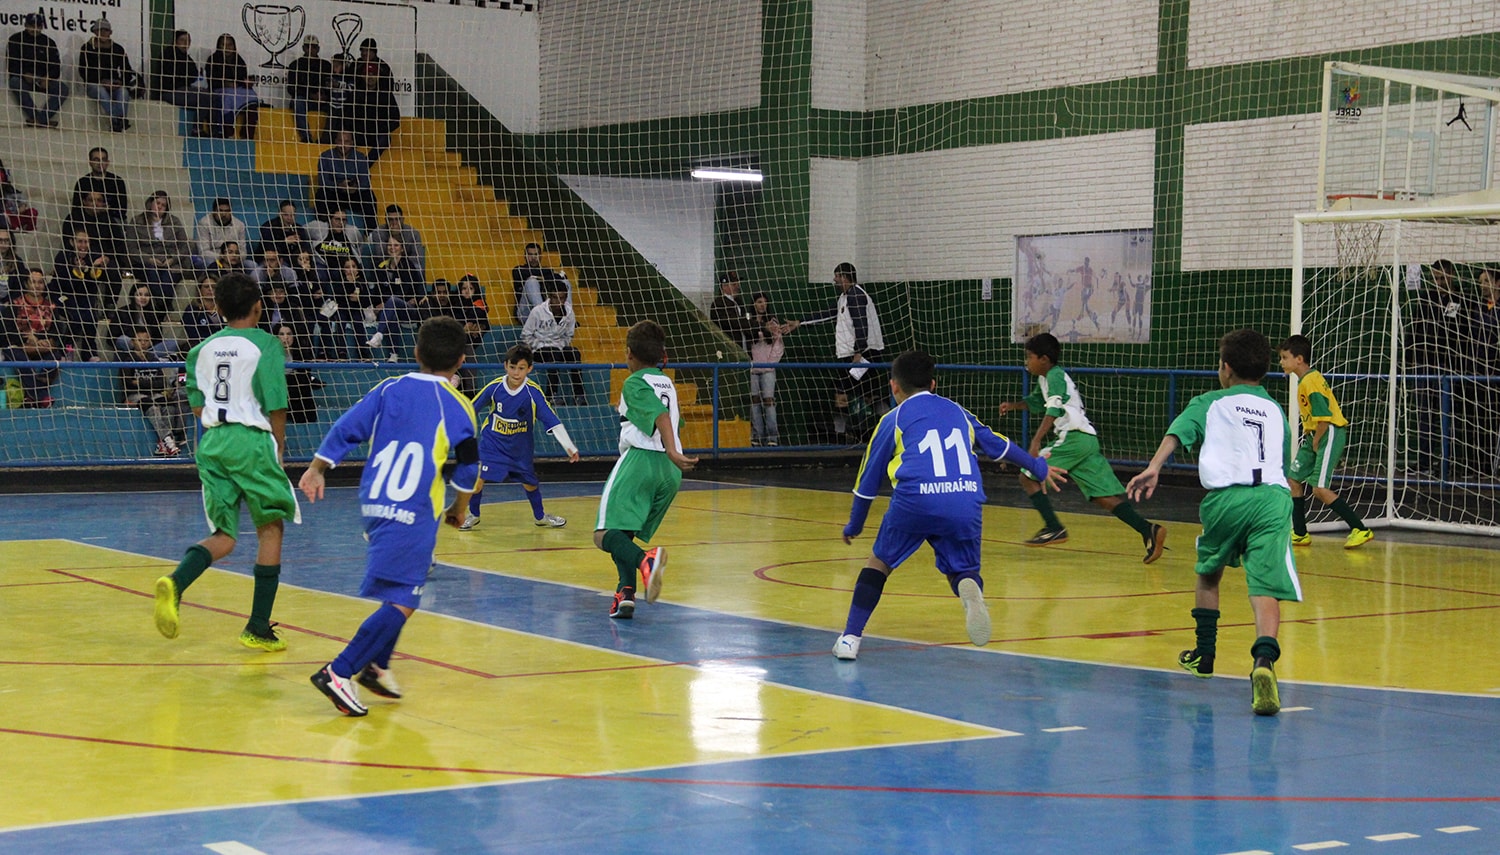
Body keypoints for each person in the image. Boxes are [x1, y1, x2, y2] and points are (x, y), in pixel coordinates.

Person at [298, 316, 480, 716]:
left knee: (404, 588)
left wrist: (317, 467)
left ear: (416, 353)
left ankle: (377, 667)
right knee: (405, 597)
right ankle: (339, 671)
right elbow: (468, 469)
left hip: (374, 500)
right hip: (411, 509)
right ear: (462, 361)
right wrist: (459, 509)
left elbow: (347, 428)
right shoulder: (460, 406)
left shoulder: (388, 388)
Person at [833, 350, 1062, 661]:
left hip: (915, 501)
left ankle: (849, 639)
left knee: (879, 564)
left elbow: (866, 483)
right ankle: (969, 590)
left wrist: (854, 525)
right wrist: (1038, 467)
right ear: (934, 384)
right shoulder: (958, 412)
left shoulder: (893, 419)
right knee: (963, 569)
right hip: (965, 498)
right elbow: (999, 444)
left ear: (893, 387)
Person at [1127, 328, 1299, 717]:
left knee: (1209, 573)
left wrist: (1153, 468)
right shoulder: (1275, 410)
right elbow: (1282, 462)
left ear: (1225, 368)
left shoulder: (1210, 401)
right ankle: (1264, 662)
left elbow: (1177, 432)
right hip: (1273, 499)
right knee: (1266, 584)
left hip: (1227, 499)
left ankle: (1204, 655)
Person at [153, 272, 299, 651]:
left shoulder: (199, 350)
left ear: (216, 309)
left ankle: (176, 582)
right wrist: (278, 450)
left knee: (225, 535)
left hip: (213, 441)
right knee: (271, 529)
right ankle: (257, 626)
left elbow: (198, 405)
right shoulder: (266, 344)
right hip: (250, 440)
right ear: (259, 307)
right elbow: (276, 404)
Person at [996, 332, 1167, 563]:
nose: (1027, 362)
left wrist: (1036, 441)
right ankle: (1148, 530)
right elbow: (1038, 402)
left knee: (1028, 475)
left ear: (1044, 359)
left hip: (1073, 438)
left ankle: (1053, 527)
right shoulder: (1046, 379)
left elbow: (1053, 408)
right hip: (1086, 440)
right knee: (1102, 497)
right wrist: (1015, 405)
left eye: (1029, 357)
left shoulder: (1055, 375)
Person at [593, 320, 698, 619]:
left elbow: (662, 417)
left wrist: (672, 450)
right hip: (669, 473)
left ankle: (646, 562)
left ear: (629, 353)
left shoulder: (634, 382)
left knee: (603, 534)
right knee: (623, 533)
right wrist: (673, 453)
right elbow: (676, 421)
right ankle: (625, 593)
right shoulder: (667, 382)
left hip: (643, 460)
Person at [463, 343, 580, 531]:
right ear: (505, 366)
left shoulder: (533, 393)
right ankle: (473, 515)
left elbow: (552, 420)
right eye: (512, 367)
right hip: (492, 443)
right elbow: (470, 409)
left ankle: (540, 517)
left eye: (521, 368)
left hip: (520, 449)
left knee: (530, 484)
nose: (516, 373)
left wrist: (569, 446)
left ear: (530, 369)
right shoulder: (494, 387)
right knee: (478, 477)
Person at [1278, 335, 1373, 549]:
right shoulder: (1306, 379)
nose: (1281, 362)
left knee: (1319, 489)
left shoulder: (1310, 381)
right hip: (1315, 433)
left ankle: (1360, 529)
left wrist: (1317, 440)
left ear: (1299, 359)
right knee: (1294, 480)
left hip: (1327, 432)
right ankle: (1300, 533)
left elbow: (1324, 416)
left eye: (1285, 357)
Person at [785, 262, 888, 443]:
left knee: (844, 392)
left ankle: (843, 436)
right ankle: (856, 432)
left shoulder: (856, 296)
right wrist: (800, 322)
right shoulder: (844, 298)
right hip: (854, 355)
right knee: (868, 394)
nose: (834, 280)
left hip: (864, 356)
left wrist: (858, 353)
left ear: (846, 277)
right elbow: (828, 313)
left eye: (837, 276)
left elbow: (861, 324)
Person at [121, 327, 191, 457]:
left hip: (153, 393)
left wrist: (140, 382)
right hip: (134, 395)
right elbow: (128, 384)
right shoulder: (127, 359)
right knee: (152, 407)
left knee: (169, 405)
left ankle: (162, 443)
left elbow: (161, 383)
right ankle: (169, 440)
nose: (143, 343)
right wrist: (149, 383)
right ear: (132, 342)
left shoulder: (153, 358)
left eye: (146, 340)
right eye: (139, 340)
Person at [522, 279, 585, 405]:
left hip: (559, 348)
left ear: (566, 298)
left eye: (561, 298)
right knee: (553, 353)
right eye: (555, 298)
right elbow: (526, 335)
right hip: (539, 349)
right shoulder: (537, 311)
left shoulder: (569, 313)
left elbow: (569, 335)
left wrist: (561, 345)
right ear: (549, 297)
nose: (558, 302)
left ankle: (579, 395)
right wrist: (538, 345)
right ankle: (551, 394)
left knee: (574, 353)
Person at [7, 268, 63, 407]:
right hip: (20, 346)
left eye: (40, 282)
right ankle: (41, 396)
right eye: (33, 282)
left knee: (54, 357)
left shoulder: (51, 306)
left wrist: (46, 341)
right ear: (26, 284)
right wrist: (27, 342)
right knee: (16, 355)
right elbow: (9, 331)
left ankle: (32, 396)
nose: (37, 286)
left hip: (43, 347)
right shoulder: (15, 304)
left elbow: (57, 331)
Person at [365, 235, 424, 360]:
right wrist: (378, 303)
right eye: (390, 245)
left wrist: (387, 302)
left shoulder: (408, 266)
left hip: (409, 309)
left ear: (402, 248)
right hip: (391, 310)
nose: (392, 248)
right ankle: (393, 354)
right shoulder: (382, 267)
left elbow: (414, 291)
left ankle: (379, 334)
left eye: (396, 245)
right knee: (392, 313)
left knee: (392, 301)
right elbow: (377, 291)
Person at [77, 18, 138, 133]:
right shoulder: (87, 48)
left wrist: (120, 82)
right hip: (94, 84)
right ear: (95, 32)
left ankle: (117, 123)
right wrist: (102, 82)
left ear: (110, 32)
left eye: (106, 30)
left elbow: (127, 69)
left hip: (114, 84)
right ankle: (118, 120)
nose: (103, 33)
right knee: (101, 91)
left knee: (124, 92)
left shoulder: (118, 49)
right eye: (100, 30)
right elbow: (83, 71)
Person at [6, 13, 68, 128]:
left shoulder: (48, 42)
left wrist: (48, 77)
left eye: (37, 25)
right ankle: (40, 119)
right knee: (15, 82)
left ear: (41, 27)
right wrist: (24, 74)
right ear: (25, 25)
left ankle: (39, 120)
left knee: (63, 89)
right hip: (23, 78)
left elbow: (55, 66)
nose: (34, 28)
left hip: (43, 80)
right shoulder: (15, 39)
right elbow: (12, 64)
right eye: (31, 25)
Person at [129, 192, 194, 299]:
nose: (159, 207)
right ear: (150, 203)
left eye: (163, 205)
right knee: (153, 274)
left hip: (170, 263)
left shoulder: (175, 222)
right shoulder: (136, 221)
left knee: (168, 278)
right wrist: (149, 259)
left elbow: (185, 246)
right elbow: (131, 248)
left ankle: (159, 308)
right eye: (157, 203)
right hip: (145, 262)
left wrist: (172, 259)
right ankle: (163, 307)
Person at [153, 29, 213, 136]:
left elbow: (192, 74)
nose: (185, 43)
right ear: (175, 41)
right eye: (182, 40)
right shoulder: (169, 54)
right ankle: (196, 128)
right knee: (204, 96)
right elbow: (178, 75)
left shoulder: (186, 57)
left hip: (181, 90)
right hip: (169, 92)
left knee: (208, 95)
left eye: (188, 41)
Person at [204, 34, 259, 139]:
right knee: (227, 95)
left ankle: (248, 133)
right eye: (223, 45)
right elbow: (212, 80)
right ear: (219, 46)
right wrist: (225, 83)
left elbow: (241, 78)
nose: (227, 48)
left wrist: (247, 82)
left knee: (252, 96)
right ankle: (227, 129)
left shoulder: (239, 60)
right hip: (220, 90)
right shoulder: (213, 59)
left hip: (237, 90)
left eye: (230, 45)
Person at [748, 292, 785, 447]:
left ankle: (772, 437)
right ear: (754, 304)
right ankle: (756, 436)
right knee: (754, 401)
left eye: (765, 302)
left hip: (768, 369)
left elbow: (779, 346)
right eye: (759, 302)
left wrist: (770, 364)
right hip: (752, 368)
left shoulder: (773, 322)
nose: (762, 305)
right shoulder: (748, 322)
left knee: (769, 401)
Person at [315, 131, 377, 223]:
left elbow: (366, 181)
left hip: (353, 195)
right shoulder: (326, 156)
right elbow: (322, 180)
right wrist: (338, 185)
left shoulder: (360, 157)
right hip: (334, 193)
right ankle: (323, 227)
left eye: (347, 141)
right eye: (340, 141)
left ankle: (371, 233)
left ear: (352, 142)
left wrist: (355, 188)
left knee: (369, 197)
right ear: (336, 141)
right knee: (321, 194)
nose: (343, 145)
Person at [350, 58, 398, 163]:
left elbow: (395, 119)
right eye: (367, 74)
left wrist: (382, 128)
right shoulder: (355, 94)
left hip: (377, 134)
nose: (370, 77)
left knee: (385, 138)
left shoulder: (386, 95)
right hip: (359, 134)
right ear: (362, 76)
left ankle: (365, 165)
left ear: (378, 76)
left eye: (373, 74)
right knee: (345, 137)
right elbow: (346, 116)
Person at [285, 35, 330, 144]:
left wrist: (325, 96)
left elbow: (330, 83)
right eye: (308, 47)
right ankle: (306, 137)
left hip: (323, 101)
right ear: (303, 48)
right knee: (298, 101)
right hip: (305, 101)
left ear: (318, 49)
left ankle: (327, 138)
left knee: (338, 105)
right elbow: (291, 88)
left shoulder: (326, 65)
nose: (310, 50)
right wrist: (311, 95)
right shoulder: (295, 65)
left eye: (313, 47)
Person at [511, 242, 568, 323]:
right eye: (530, 254)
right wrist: (549, 274)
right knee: (531, 282)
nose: (533, 257)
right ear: (525, 256)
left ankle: (567, 317)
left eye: (536, 254)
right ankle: (544, 317)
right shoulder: (518, 270)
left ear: (540, 256)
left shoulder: (546, 272)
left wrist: (541, 277)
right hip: (526, 313)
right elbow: (557, 275)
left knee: (565, 282)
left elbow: (563, 277)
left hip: (549, 310)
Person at [364, 204, 426, 280]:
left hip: (408, 267)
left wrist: (401, 264)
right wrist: (392, 233)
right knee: (379, 267)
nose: (394, 223)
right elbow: (381, 256)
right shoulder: (378, 232)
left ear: (402, 219)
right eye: (391, 220)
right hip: (388, 266)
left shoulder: (413, 233)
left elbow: (417, 258)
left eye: (397, 219)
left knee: (418, 268)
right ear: (386, 220)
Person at [276, 323, 321, 424]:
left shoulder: (302, 356)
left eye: (289, 334)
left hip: (298, 400)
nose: (285, 337)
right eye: (282, 334)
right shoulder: (270, 357)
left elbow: (304, 380)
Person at [71, 147, 128, 221]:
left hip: (112, 219)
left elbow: (122, 209)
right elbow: (76, 208)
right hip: (88, 219)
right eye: (96, 160)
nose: (100, 163)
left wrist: (101, 210)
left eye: (103, 160)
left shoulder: (117, 181)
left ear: (107, 163)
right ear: (90, 162)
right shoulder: (82, 182)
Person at [710, 271, 755, 353]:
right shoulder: (719, 303)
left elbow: (744, 321)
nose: (737, 287)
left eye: (737, 284)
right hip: (729, 348)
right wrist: (760, 325)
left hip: (743, 347)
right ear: (724, 286)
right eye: (734, 284)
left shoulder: (739, 302)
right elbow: (734, 322)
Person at [196, 198, 248, 268]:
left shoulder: (239, 225)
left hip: (235, 258)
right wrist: (223, 257)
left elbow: (243, 252)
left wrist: (234, 257)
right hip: (214, 258)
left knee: (252, 265)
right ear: (214, 211)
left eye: (227, 211)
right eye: (220, 211)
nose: (223, 214)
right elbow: (203, 252)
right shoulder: (204, 223)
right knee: (209, 263)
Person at [179, 275, 221, 349]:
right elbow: (192, 334)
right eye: (206, 287)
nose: (210, 289)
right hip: (201, 346)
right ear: (199, 289)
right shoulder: (192, 309)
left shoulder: (225, 308)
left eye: (214, 287)